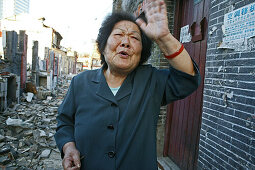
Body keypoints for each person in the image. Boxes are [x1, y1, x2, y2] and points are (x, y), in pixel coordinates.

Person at [54, 0, 201, 169]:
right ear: (103, 46)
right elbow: (65, 123)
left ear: (142, 53)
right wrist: (68, 146)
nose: (125, 42)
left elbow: (187, 79)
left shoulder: (151, 80)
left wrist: (164, 37)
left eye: (134, 38)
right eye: (118, 35)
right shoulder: (80, 83)